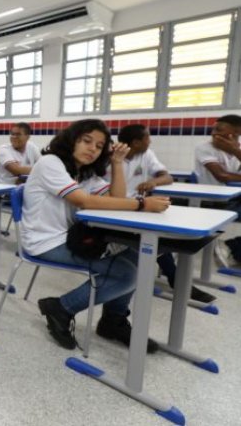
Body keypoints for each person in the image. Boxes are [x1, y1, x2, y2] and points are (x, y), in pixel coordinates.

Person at [23, 119, 170, 352]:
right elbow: (84, 200)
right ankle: (62, 307)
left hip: (71, 237)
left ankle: (113, 320)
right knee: (127, 276)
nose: (92, 148)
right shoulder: (50, 162)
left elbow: (117, 199)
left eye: (100, 146)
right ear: (71, 140)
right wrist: (142, 204)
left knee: (139, 257)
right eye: (86, 141)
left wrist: (118, 163)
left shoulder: (85, 172)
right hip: (45, 242)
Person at [116, 124, 215, 303]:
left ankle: (175, 278)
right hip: (116, 208)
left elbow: (167, 177)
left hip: (138, 207)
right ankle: (175, 280)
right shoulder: (113, 158)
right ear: (136, 142)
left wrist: (154, 182)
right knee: (154, 238)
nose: (150, 141)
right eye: (147, 138)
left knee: (163, 234)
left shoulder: (146, 154)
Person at [194, 114, 241, 262]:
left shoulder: (237, 149)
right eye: (213, 129)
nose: (213, 133)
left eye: (219, 130)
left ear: (234, 134)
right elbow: (222, 176)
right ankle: (232, 247)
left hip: (236, 198)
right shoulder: (204, 147)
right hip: (214, 202)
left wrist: (235, 151)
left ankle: (232, 246)